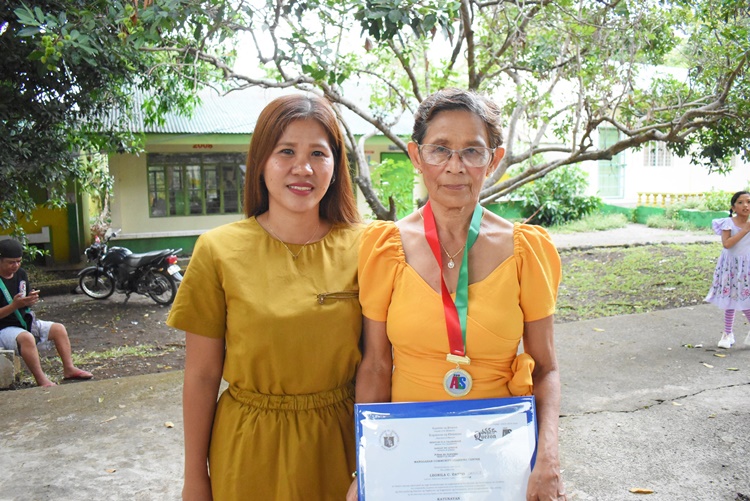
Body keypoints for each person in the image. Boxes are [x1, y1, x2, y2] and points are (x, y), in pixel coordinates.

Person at [350, 88, 566, 500]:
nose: (455, 166)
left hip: (500, 459)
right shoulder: (385, 249)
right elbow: (376, 366)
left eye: (472, 151)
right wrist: (366, 467)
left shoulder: (526, 250)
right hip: (409, 462)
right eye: (440, 150)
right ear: (416, 156)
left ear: (494, 159)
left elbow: (546, 369)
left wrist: (549, 457)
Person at [167, 94, 363, 500]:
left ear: (336, 164)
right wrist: (194, 478)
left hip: (342, 445)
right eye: (286, 151)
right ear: (260, 161)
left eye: (318, 153)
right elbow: (202, 376)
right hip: (248, 446)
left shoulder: (368, 247)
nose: (303, 168)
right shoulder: (217, 250)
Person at [0, 239, 93, 387]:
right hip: (4, 328)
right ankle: (41, 379)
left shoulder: (21, 274)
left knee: (58, 329)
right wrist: (14, 306)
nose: (16, 266)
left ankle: (69, 369)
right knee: (27, 338)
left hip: (24, 320)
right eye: (11, 262)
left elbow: (23, 299)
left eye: (19, 261)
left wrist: (30, 300)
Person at [704, 190, 750, 349]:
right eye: (740, 202)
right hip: (730, 266)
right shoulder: (727, 223)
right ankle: (727, 333)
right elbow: (727, 244)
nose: (745, 205)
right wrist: (745, 230)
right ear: (733, 207)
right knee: (731, 297)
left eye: (749, 202)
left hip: (747, 267)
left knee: (746, 298)